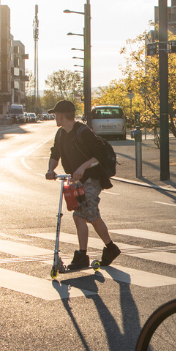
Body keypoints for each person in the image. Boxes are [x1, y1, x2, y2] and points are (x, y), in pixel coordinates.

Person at [45, 99, 120, 270]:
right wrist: (51, 169)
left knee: (80, 215)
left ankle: (82, 255)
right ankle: (111, 248)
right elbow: (55, 153)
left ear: (62, 116)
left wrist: (83, 167)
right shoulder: (61, 134)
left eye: (56, 114)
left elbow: (100, 154)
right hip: (77, 181)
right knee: (91, 215)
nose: (55, 117)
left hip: (93, 178)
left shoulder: (83, 132)